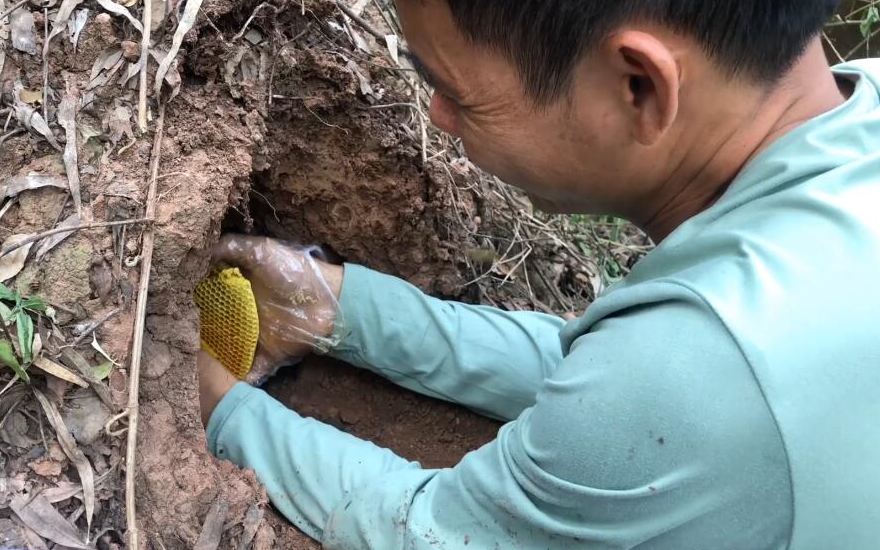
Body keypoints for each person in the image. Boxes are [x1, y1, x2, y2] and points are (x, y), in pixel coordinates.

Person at [197, 0, 880, 548]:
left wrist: (221, 406)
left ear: (636, 86)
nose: (437, 114)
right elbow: (606, 372)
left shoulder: (700, 369)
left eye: (454, 90)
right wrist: (344, 311)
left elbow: (441, 529)